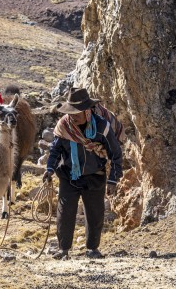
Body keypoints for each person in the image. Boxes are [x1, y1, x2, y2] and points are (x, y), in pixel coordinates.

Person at [43, 87, 123, 260]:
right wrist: (49, 169)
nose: (73, 116)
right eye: (71, 112)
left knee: (95, 213)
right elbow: (55, 151)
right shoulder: (63, 126)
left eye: (77, 112)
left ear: (87, 110)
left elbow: (115, 153)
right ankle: (63, 249)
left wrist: (113, 180)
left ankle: (92, 248)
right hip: (68, 176)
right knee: (65, 212)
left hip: (95, 175)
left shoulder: (102, 127)